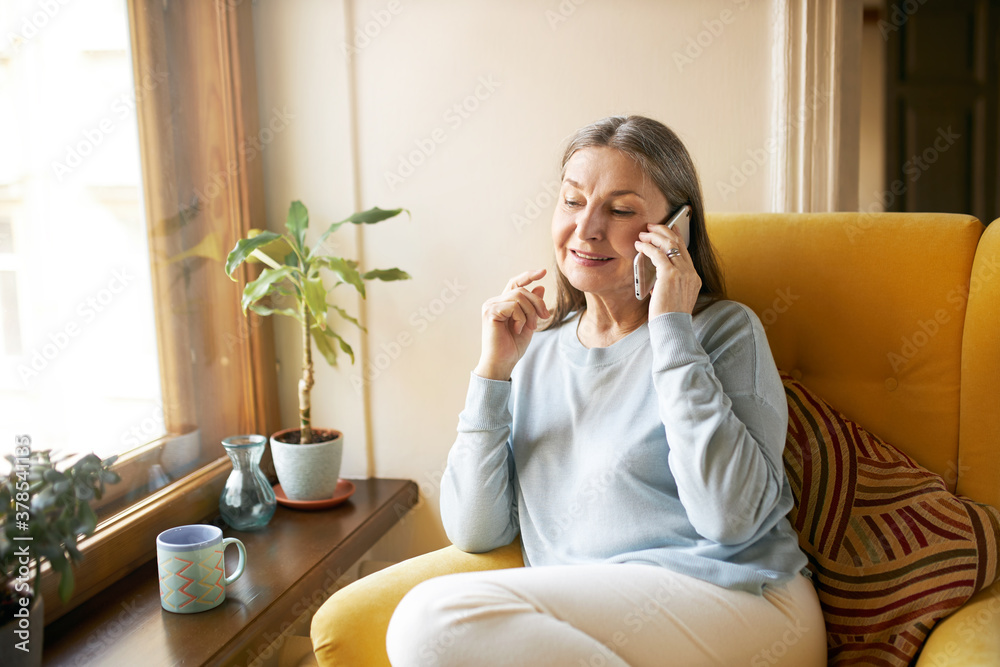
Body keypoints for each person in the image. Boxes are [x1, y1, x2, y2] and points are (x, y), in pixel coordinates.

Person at [385, 116, 827, 666]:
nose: (587, 229)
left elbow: (729, 517)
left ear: (677, 229)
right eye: (572, 202)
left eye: (620, 210)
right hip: (599, 628)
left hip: (744, 603)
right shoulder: (533, 352)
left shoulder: (724, 331)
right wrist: (492, 373)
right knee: (430, 627)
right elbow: (476, 530)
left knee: (429, 622)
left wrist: (671, 329)